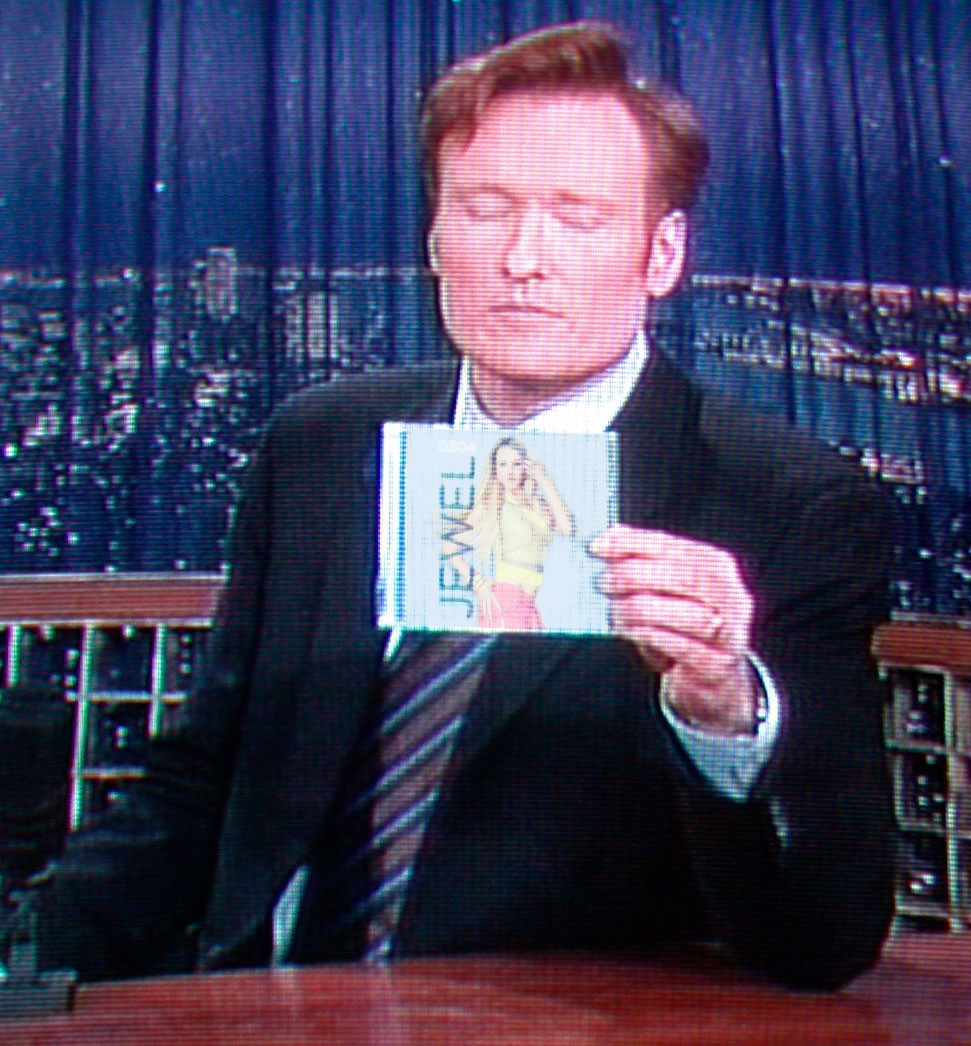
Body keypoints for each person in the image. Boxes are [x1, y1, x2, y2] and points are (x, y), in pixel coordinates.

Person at [40, 22, 895, 990]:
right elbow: (206, 776)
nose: (523, 258)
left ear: (660, 253)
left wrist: (723, 711)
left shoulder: (785, 505)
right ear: (435, 240)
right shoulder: (319, 445)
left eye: (577, 216)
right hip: (259, 1005)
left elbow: (824, 936)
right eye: (484, 209)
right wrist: (31, 963)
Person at [448, 436, 575, 630]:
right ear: (495, 469)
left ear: (526, 467)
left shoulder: (537, 505)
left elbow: (567, 528)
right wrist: (479, 584)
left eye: (516, 464)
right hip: (505, 600)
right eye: (503, 464)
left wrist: (546, 481)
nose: (510, 472)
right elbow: (449, 546)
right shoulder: (493, 503)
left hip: (529, 606)